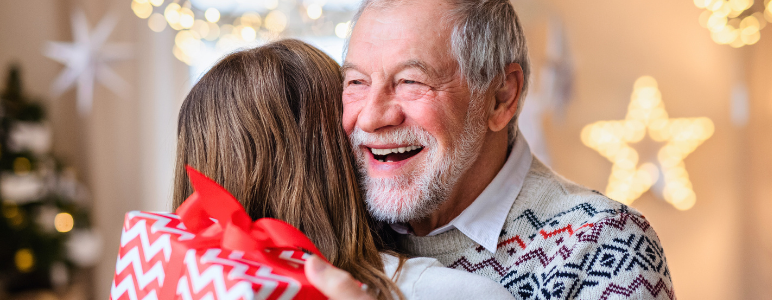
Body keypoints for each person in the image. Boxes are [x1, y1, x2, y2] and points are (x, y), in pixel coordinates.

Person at [309, 0, 676, 299]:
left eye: (410, 81)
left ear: (501, 98)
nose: (371, 117)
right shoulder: (326, 220)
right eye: (356, 82)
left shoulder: (604, 245)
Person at [172, 39, 514, 299]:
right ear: (332, 153)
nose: (369, 121)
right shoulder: (447, 291)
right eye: (354, 90)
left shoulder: (170, 274)